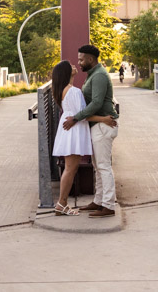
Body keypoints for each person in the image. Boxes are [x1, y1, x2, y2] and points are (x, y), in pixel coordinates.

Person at [50, 60, 116, 215]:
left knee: (70, 169)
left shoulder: (63, 90)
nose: (74, 66)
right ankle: (61, 204)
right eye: (70, 66)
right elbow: (83, 115)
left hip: (69, 129)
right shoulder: (73, 91)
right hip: (74, 130)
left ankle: (62, 203)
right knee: (70, 169)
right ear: (66, 73)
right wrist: (103, 119)